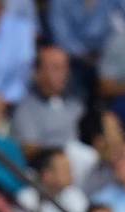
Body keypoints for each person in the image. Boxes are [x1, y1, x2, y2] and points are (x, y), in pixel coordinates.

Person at [11, 45, 96, 181]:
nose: (64, 73)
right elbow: (30, 150)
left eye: (65, 68)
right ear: (38, 73)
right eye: (56, 68)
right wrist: (64, 153)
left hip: (81, 171)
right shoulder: (26, 109)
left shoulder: (75, 103)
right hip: (49, 173)